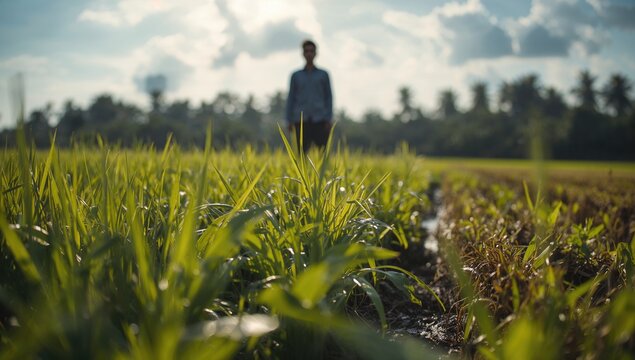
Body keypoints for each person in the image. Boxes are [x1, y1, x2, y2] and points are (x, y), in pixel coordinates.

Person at [286, 40, 333, 152]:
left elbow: (329, 97)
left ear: (315, 53)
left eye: (311, 51)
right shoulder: (296, 76)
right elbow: (291, 98)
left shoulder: (323, 75)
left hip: (320, 119)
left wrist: (328, 118)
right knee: (301, 155)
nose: (309, 54)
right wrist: (289, 119)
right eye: (306, 51)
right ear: (303, 53)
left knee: (323, 154)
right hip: (301, 120)